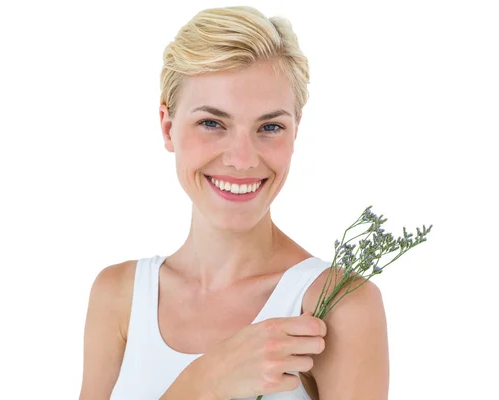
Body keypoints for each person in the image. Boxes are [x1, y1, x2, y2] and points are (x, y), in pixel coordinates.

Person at [78, 6, 389, 400]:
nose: (242, 159)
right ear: (167, 127)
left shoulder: (336, 306)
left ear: (296, 133)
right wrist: (203, 382)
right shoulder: (119, 296)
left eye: (270, 127)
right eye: (212, 123)